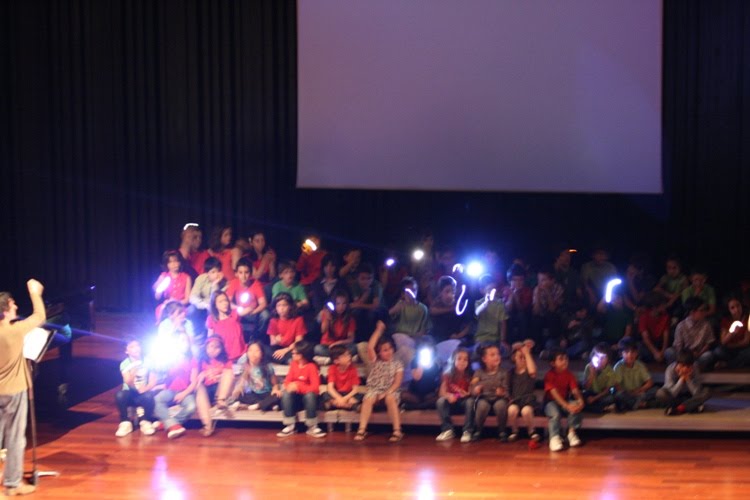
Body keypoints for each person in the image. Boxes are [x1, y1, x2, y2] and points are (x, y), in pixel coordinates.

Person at [0, 279, 46, 496]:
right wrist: (34, 292)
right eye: (13, 305)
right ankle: (13, 483)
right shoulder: (14, 331)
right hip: (14, 390)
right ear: (5, 310)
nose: (16, 307)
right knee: (16, 437)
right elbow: (40, 316)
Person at [355, 329, 404, 442]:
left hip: (390, 390)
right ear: (379, 352)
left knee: (390, 397)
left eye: (390, 349)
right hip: (375, 389)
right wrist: (378, 330)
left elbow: (397, 383)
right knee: (368, 398)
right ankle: (362, 429)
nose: (389, 352)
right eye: (385, 350)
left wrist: (386, 393)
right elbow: (370, 347)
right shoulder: (375, 361)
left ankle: (397, 430)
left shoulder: (398, 364)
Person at [276, 341, 326, 438]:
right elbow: (287, 382)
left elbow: (315, 388)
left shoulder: (311, 367)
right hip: (296, 399)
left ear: (302, 354)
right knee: (286, 393)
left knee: (310, 395)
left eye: (295, 352)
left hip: (309, 400)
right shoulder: (293, 364)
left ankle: (312, 426)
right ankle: (290, 425)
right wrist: (291, 386)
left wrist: (298, 386)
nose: (292, 354)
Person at [152, 333, 198, 439]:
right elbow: (165, 375)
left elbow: (194, 382)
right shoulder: (169, 358)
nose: (184, 343)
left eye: (186, 340)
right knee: (156, 400)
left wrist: (184, 394)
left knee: (191, 406)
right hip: (170, 390)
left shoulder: (192, 360)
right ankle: (173, 425)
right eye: (181, 340)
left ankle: (168, 424)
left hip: (185, 391)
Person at [115, 337, 157, 437]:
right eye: (132, 347)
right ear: (127, 351)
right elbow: (128, 382)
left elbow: (153, 381)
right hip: (130, 393)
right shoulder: (125, 364)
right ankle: (125, 422)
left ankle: (145, 421)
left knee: (149, 396)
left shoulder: (148, 361)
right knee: (119, 395)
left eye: (137, 345)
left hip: (143, 393)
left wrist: (145, 388)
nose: (136, 349)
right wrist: (133, 371)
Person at [544, 348, 585, 452]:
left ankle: (571, 433)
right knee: (555, 414)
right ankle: (554, 437)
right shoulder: (549, 375)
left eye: (566, 358)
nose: (565, 361)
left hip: (564, 401)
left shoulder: (569, 375)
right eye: (561, 359)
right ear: (553, 363)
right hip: (550, 402)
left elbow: (575, 390)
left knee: (576, 406)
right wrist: (566, 406)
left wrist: (580, 400)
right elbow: (554, 393)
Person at [195, 336, 233, 436]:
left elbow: (229, 377)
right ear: (206, 347)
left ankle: (220, 401)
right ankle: (208, 426)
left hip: (220, 391)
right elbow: (194, 378)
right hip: (206, 391)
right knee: (199, 387)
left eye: (217, 347)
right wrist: (202, 375)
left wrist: (219, 377)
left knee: (228, 372)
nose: (213, 350)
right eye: (211, 346)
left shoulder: (226, 361)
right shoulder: (200, 360)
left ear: (221, 349)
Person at [470, 344, 509, 441]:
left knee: (500, 405)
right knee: (482, 406)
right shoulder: (479, 372)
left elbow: (506, 390)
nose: (496, 357)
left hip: (498, 398)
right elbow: (472, 387)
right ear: (484, 359)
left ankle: (502, 431)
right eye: (492, 355)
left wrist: (502, 392)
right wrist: (476, 390)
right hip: (484, 398)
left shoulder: (503, 373)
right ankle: (478, 430)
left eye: (498, 354)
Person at [435, 347, 474, 442]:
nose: (462, 362)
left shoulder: (471, 375)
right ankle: (447, 430)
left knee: (470, 401)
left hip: (464, 402)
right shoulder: (447, 375)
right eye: (459, 359)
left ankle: (467, 431)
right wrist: (448, 396)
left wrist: (466, 394)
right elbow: (441, 392)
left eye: (465, 359)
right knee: (440, 401)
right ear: (453, 360)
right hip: (451, 403)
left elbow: (471, 391)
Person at [230, 341, 282, 411]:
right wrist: (239, 388)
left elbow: (275, 384)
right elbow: (242, 382)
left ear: (262, 353)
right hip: (254, 394)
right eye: (250, 351)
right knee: (239, 395)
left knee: (277, 396)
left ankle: (259, 405)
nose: (253, 353)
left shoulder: (268, 367)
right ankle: (266, 405)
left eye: (257, 351)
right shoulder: (246, 366)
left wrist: (275, 390)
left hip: (266, 394)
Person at [666, 297, 715, 370]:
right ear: (692, 312)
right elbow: (678, 346)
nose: (704, 312)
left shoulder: (706, 325)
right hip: (684, 356)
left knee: (708, 355)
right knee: (669, 352)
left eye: (705, 310)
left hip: (698, 355)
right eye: (701, 310)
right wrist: (687, 355)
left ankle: (690, 368)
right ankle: (684, 368)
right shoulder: (681, 326)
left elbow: (708, 343)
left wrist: (699, 353)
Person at [226, 258, 269, 340]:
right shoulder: (234, 283)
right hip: (240, 311)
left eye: (246, 272)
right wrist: (238, 308)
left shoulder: (256, 284)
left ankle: (257, 336)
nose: (243, 276)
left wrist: (252, 311)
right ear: (236, 274)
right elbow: (228, 302)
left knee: (265, 315)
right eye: (240, 272)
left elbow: (263, 303)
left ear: (251, 273)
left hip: (253, 312)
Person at [656, 350, 710, 416]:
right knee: (660, 393)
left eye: (688, 366)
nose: (685, 369)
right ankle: (691, 407)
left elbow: (696, 392)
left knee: (707, 392)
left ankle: (679, 409)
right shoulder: (670, 369)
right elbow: (672, 393)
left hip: (690, 397)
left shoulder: (695, 368)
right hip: (675, 397)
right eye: (683, 365)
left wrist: (688, 379)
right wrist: (681, 379)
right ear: (677, 364)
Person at [507, 340, 540, 443]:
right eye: (520, 357)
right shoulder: (511, 373)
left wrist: (527, 353)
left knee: (526, 411)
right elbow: (508, 388)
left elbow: (532, 371)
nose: (523, 359)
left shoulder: (529, 372)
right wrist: (508, 398)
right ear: (514, 358)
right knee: (512, 410)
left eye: (524, 357)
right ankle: (514, 431)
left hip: (528, 400)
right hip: (516, 400)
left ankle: (531, 431)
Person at [613, 338, 658, 411]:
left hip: (638, 392)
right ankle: (639, 404)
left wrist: (640, 390)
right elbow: (616, 385)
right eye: (626, 352)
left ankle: (633, 404)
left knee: (656, 390)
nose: (630, 355)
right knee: (619, 395)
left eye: (633, 352)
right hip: (626, 393)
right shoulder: (618, 367)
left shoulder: (640, 365)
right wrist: (629, 393)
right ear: (621, 354)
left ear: (637, 353)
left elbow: (650, 382)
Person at [188, 257, 227, 335]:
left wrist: (215, 284)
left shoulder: (225, 283)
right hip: (202, 305)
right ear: (207, 273)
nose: (216, 274)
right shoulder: (201, 278)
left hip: (215, 308)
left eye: (218, 271)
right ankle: (195, 333)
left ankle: (211, 334)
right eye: (213, 272)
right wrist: (205, 305)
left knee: (213, 311)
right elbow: (192, 297)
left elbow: (215, 300)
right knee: (191, 310)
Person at [315, 289, 356, 362]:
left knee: (353, 348)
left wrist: (338, 343)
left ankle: (333, 359)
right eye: (338, 304)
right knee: (317, 349)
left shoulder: (350, 319)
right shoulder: (327, 314)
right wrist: (327, 318)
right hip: (328, 346)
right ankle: (341, 358)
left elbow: (351, 339)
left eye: (344, 304)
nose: (341, 307)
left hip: (340, 346)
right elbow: (323, 331)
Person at [401, 337, 442, 410]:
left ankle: (419, 406)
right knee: (403, 395)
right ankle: (422, 405)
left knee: (438, 398)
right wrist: (420, 364)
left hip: (429, 393)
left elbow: (438, 380)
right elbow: (416, 377)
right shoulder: (415, 361)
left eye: (429, 347)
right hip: (415, 392)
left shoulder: (436, 363)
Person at [206, 291, 246, 363]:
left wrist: (234, 306)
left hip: (240, 355)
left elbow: (249, 308)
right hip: (224, 359)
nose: (225, 303)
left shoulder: (234, 314)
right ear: (215, 305)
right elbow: (210, 339)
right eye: (220, 302)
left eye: (226, 300)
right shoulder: (211, 319)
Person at [153, 250, 192, 323]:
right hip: (167, 306)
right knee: (160, 310)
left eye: (176, 261)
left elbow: (187, 299)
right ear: (167, 264)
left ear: (180, 262)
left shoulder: (186, 277)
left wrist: (176, 302)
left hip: (180, 306)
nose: (174, 264)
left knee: (179, 313)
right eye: (170, 262)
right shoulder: (163, 276)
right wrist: (158, 289)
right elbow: (157, 296)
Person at [267, 293, 307, 363]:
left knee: (299, 351)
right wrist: (276, 340)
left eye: (284, 305)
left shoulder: (298, 320)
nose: (281, 308)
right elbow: (272, 342)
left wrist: (286, 350)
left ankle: (288, 360)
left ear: (290, 306)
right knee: (267, 350)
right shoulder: (273, 321)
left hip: (292, 348)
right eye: (279, 305)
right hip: (278, 348)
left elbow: (299, 342)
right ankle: (287, 360)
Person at [713, 297, 750, 369]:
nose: (736, 309)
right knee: (718, 351)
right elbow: (723, 342)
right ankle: (738, 362)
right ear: (729, 310)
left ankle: (728, 364)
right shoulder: (725, 320)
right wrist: (732, 333)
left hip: (742, 349)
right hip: (729, 350)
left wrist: (732, 345)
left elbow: (746, 342)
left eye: (738, 306)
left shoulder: (747, 319)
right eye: (732, 308)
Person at [322, 345, 362, 410]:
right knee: (325, 395)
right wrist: (339, 398)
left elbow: (355, 389)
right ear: (336, 361)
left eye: (349, 354)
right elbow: (330, 388)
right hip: (337, 393)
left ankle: (334, 405)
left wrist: (344, 399)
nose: (349, 357)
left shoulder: (353, 369)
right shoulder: (332, 368)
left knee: (360, 396)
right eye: (345, 356)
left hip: (348, 394)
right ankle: (350, 406)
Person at [473, 274, 508, 349]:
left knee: (505, 350)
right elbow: (477, 312)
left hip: (495, 339)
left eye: (494, 289)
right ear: (482, 290)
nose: (492, 292)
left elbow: (503, 323)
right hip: (481, 338)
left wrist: (503, 340)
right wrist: (485, 304)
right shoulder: (479, 303)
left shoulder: (499, 303)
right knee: (479, 351)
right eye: (489, 289)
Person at [582, 343, 619, 413]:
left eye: (603, 357)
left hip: (601, 395)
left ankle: (594, 408)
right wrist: (592, 374)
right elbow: (585, 387)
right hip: (590, 393)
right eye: (597, 356)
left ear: (608, 359)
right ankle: (599, 408)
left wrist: (594, 398)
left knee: (611, 398)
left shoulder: (610, 371)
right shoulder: (589, 367)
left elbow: (606, 390)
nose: (599, 360)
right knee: (582, 396)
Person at [637, 292, 670, 363]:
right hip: (649, 344)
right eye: (662, 305)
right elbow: (645, 338)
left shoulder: (665, 316)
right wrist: (655, 352)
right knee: (640, 347)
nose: (665, 306)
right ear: (655, 307)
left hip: (659, 342)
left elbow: (666, 335)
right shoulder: (644, 316)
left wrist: (663, 351)